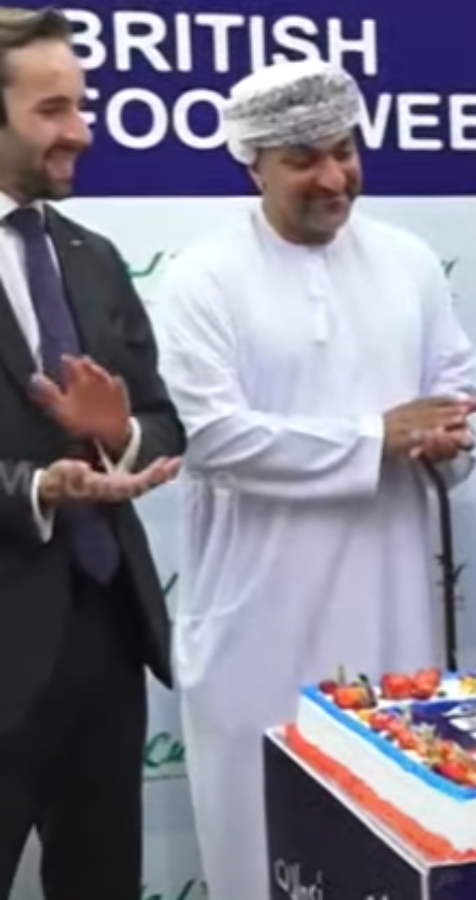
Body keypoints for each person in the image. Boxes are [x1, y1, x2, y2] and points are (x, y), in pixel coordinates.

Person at [154, 59, 476, 900]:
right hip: (257, 620)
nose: (334, 178)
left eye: (344, 151)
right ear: (253, 164)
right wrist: (378, 436)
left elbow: (454, 402)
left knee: (390, 840)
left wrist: (448, 441)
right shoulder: (203, 276)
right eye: (303, 159)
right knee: (258, 850)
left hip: (389, 611)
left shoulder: (410, 263)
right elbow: (212, 437)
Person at [0, 8, 184, 899]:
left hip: (106, 641)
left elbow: (160, 420)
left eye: (82, 104)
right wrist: (36, 488)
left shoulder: (94, 256)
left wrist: (117, 437)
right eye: (52, 109)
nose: (82, 130)